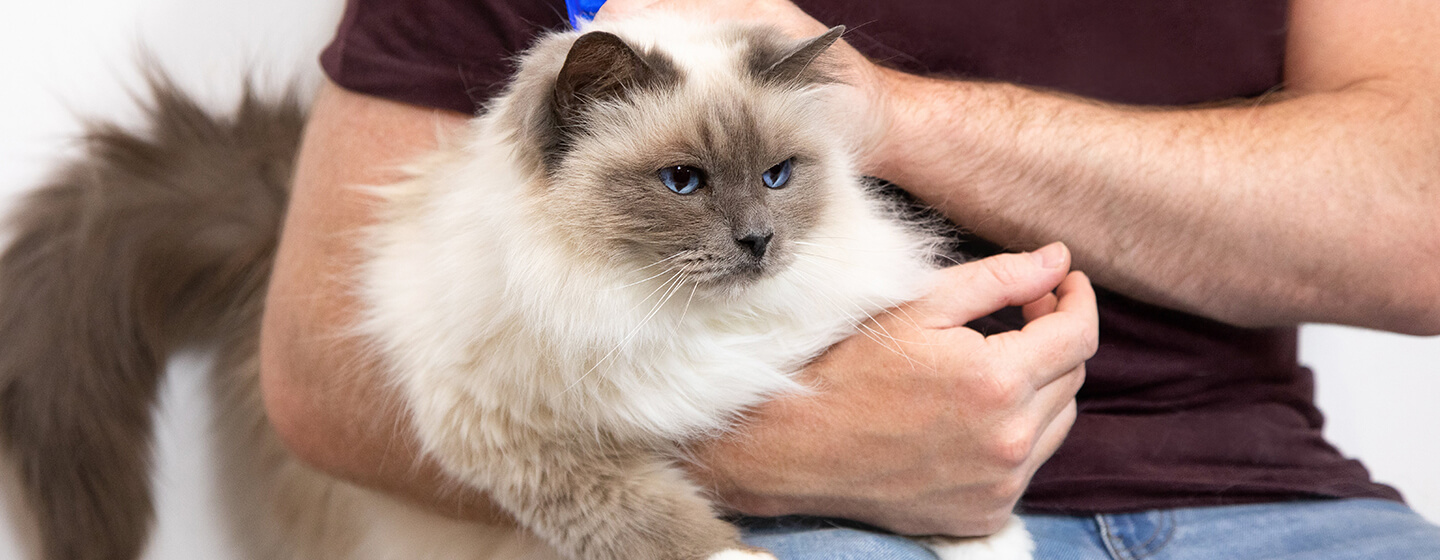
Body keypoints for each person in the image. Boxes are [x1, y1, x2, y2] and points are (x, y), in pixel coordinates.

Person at [258, 0, 1440, 558]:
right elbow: (324, 374)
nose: (754, 228)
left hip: (1275, 501)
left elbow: (1416, 226)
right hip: (794, 524)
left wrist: (891, 116)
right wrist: (776, 448)